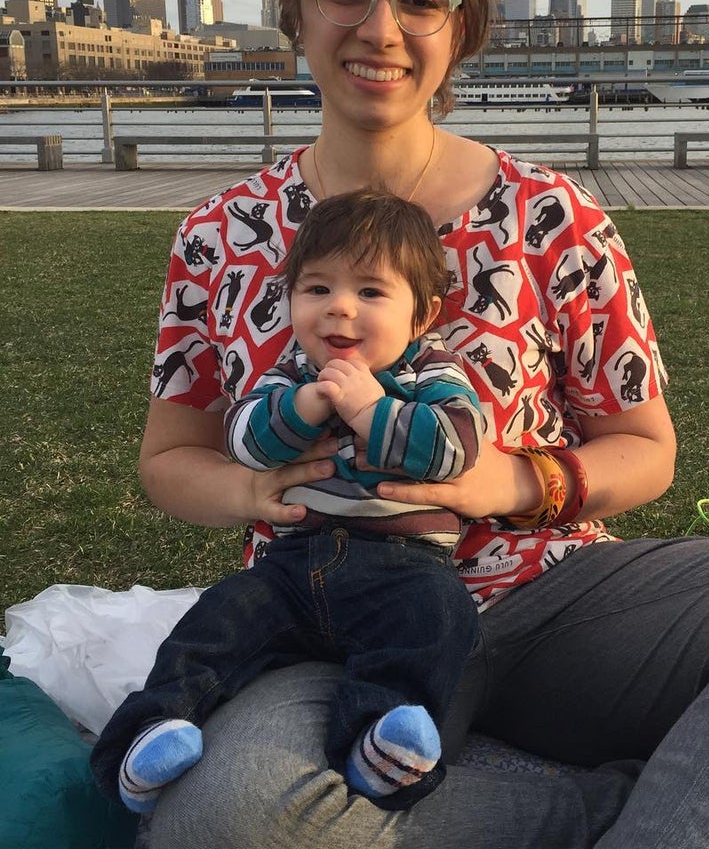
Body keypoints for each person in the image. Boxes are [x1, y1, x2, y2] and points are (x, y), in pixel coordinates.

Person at [134, 0, 709, 849]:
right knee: (224, 821)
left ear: (459, 28)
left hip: (557, 602)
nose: (380, 29)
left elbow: (645, 446)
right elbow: (172, 458)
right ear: (290, 5)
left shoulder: (552, 215)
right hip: (327, 617)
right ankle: (640, 808)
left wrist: (507, 483)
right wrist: (251, 498)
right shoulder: (221, 233)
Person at [91, 190, 484, 812]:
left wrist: (368, 409)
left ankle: (374, 742)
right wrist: (304, 408)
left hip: (405, 566)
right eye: (317, 290)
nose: (339, 311)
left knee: (437, 623)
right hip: (294, 563)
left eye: (371, 293)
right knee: (215, 624)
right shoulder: (293, 374)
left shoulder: (431, 374)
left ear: (423, 314)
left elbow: (455, 447)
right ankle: (148, 737)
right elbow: (246, 439)